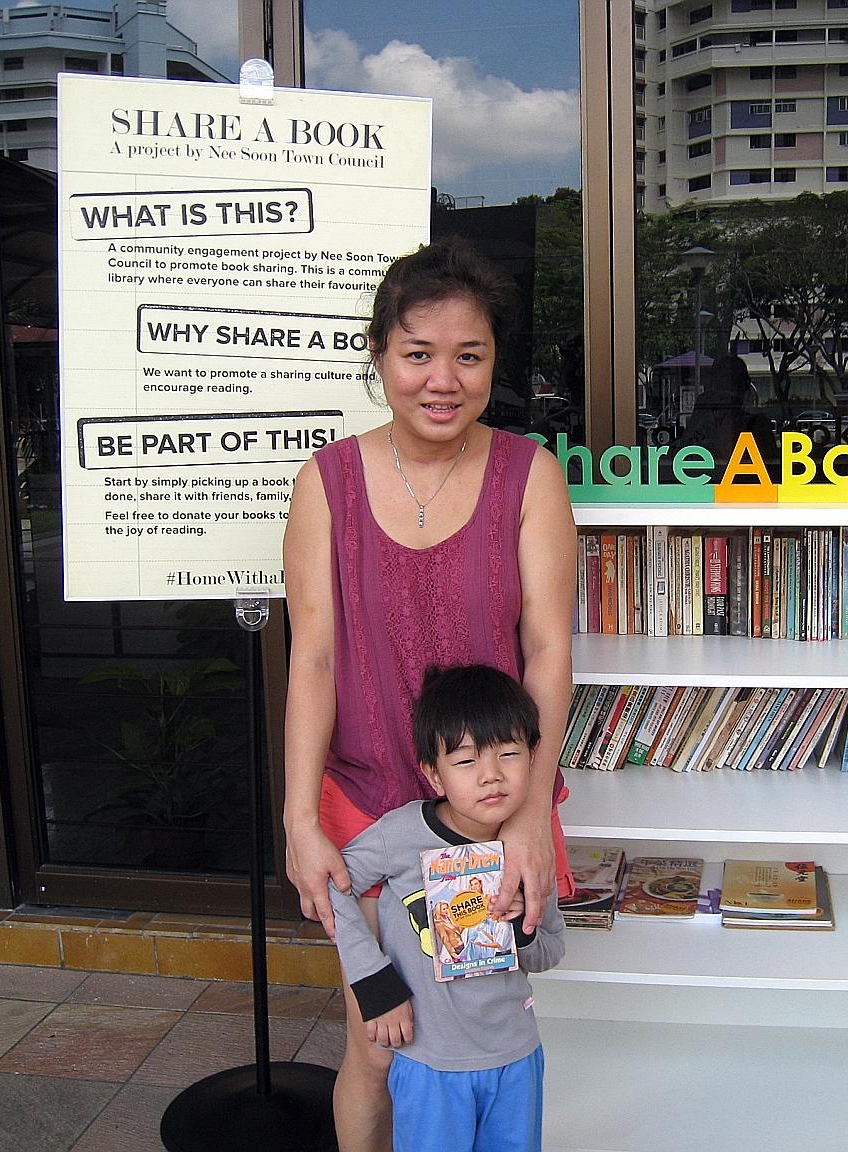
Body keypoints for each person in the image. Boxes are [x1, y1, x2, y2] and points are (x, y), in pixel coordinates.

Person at [282, 235, 577, 1152]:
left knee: (486, 1018)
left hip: (492, 803)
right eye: (418, 354)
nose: (442, 379)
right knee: (381, 1038)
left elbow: (549, 649)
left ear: (493, 364)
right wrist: (300, 820)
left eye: (469, 355)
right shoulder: (325, 482)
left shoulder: (529, 475)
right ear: (380, 358)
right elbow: (315, 657)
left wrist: (526, 812)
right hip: (367, 802)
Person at [327, 664, 565, 1152]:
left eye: (510, 754)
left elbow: (549, 952)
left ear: (535, 757)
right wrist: (373, 982)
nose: (491, 775)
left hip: (515, 1057)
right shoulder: (401, 835)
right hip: (429, 1062)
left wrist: (523, 926)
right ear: (433, 774)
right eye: (465, 761)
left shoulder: (527, 847)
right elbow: (334, 886)